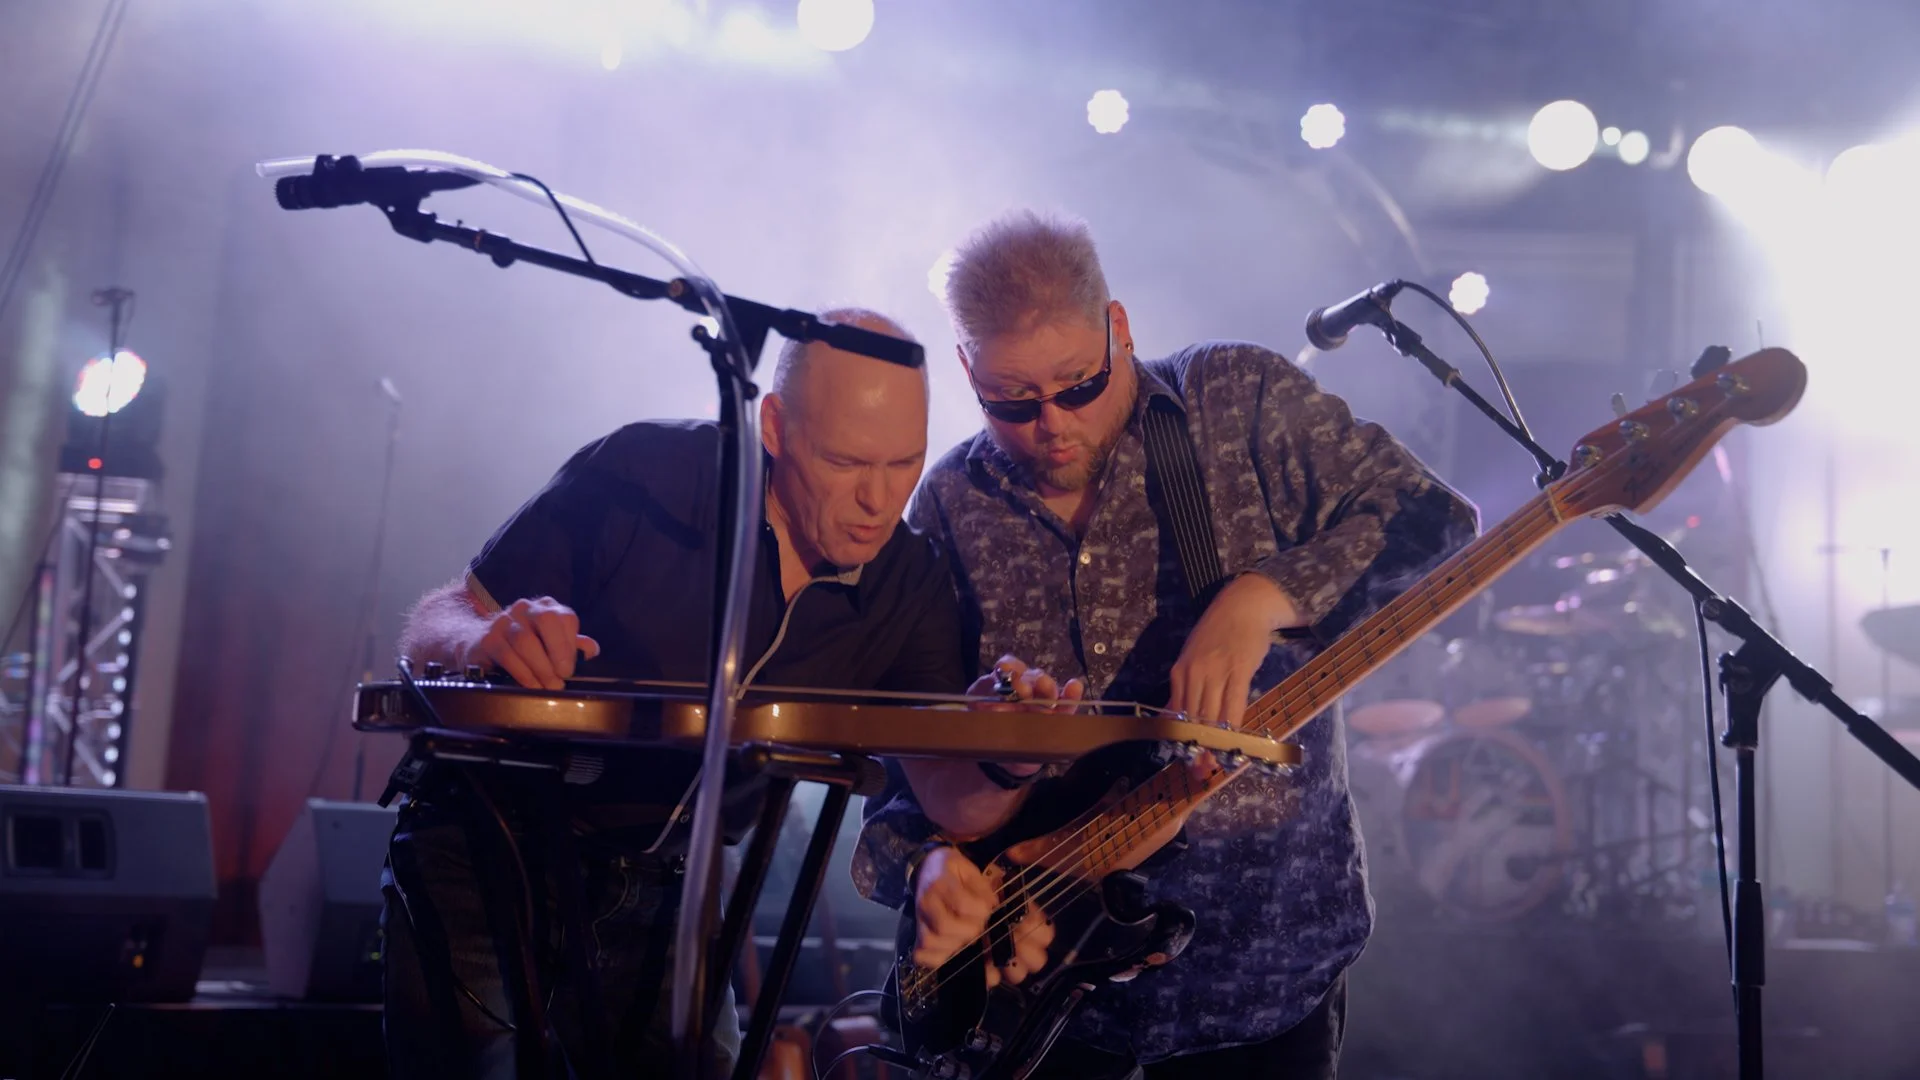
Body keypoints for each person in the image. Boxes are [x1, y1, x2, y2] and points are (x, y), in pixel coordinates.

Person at [853, 212, 1480, 1079]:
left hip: (1260, 982)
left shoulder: (1234, 401)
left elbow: (1436, 523)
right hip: (1039, 1003)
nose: (1051, 425)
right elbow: (904, 768)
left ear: (1118, 327)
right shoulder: (949, 506)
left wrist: (1263, 597)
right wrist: (928, 865)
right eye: (1011, 401)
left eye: (1077, 385)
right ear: (967, 370)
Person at [379, 309, 973, 1078]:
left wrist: (1013, 752)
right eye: (846, 462)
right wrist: (481, 638)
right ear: (774, 427)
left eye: (904, 464)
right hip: (490, 853)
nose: (878, 499)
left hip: (670, 888)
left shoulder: (910, 578)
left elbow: (949, 784)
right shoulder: (647, 471)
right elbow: (438, 619)